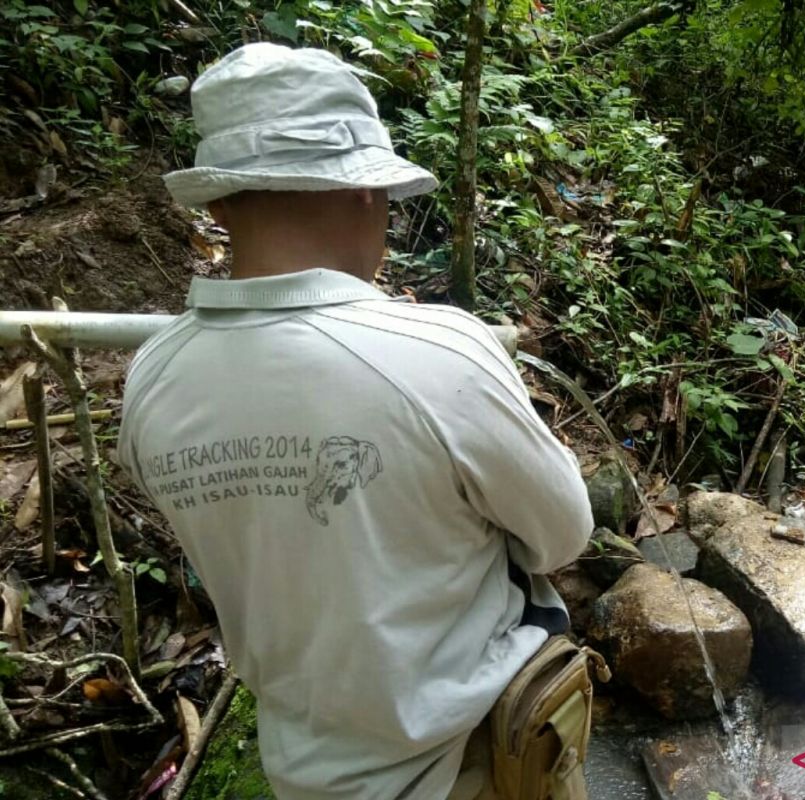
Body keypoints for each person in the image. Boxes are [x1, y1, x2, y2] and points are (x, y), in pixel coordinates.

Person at [116, 42, 595, 800]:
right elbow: (565, 533)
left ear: (216, 204)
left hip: (300, 767)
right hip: (476, 765)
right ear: (366, 191)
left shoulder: (151, 378)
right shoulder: (440, 350)